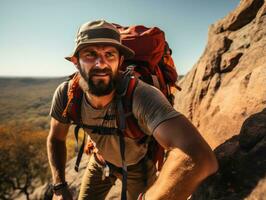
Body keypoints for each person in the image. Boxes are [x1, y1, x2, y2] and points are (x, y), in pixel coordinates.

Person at [47, 19, 218, 200]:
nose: (101, 64)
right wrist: (59, 186)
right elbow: (56, 138)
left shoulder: (140, 95)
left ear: (120, 61)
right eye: (90, 54)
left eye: (109, 54)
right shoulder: (68, 95)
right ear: (76, 61)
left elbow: (198, 157)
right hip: (99, 161)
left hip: (138, 169)